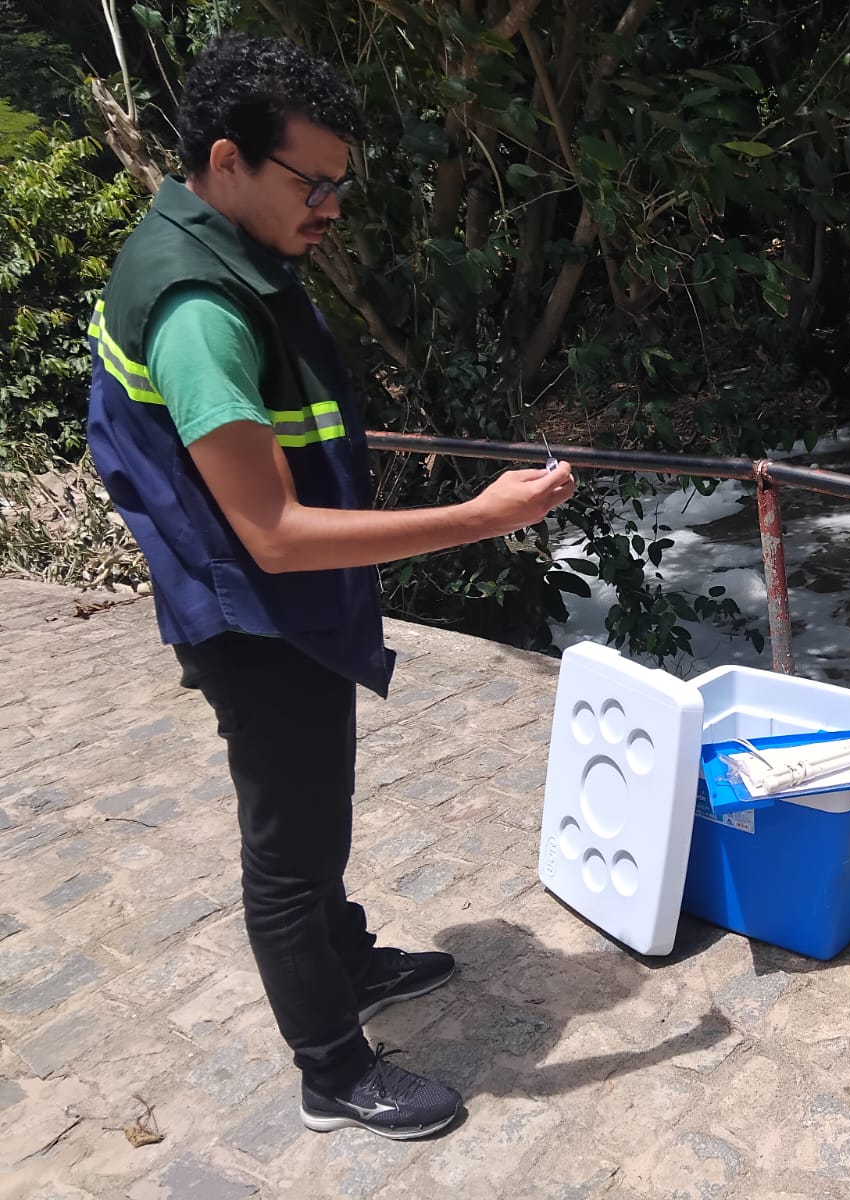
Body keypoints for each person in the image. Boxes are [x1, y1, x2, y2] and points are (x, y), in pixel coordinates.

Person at [86, 34, 575, 1139]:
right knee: (289, 847)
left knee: (318, 812)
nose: (333, 208)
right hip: (252, 620)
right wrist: (478, 518)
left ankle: (345, 962)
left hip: (275, 607)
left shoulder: (206, 246)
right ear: (226, 160)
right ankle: (332, 1069)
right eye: (313, 183)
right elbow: (269, 530)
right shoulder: (199, 310)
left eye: (340, 184)